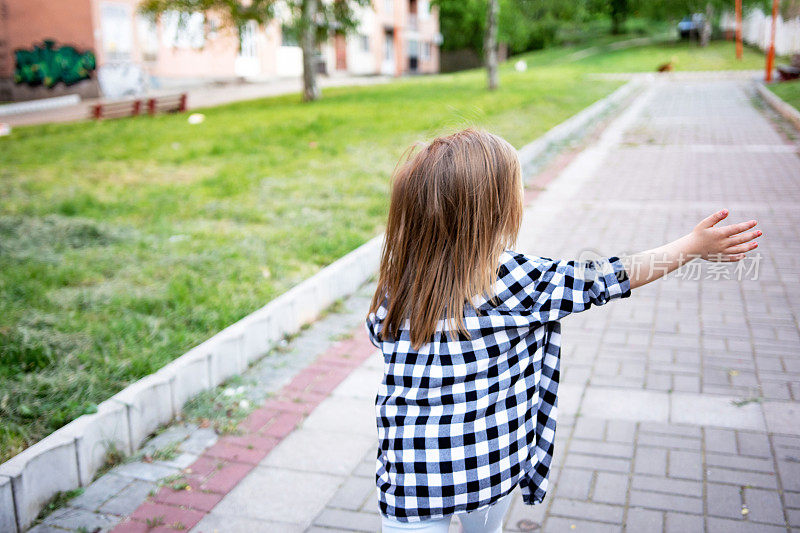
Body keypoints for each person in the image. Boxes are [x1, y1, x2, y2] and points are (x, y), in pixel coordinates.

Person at [366, 128, 761, 533]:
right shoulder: (515, 279)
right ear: (495, 210)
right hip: (487, 463)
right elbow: (607, 278)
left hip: (410, 476)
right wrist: (692, 246)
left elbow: (379, 337)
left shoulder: (396, 283)